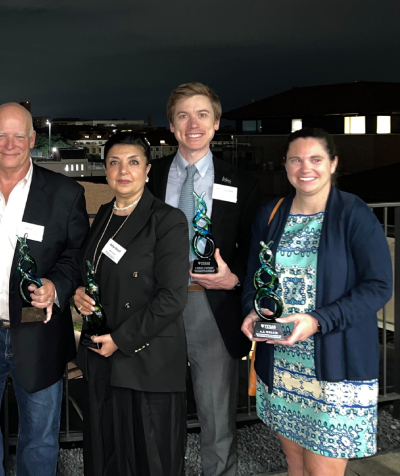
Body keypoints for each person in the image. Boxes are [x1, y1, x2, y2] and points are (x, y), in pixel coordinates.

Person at [241, 128, 392, 475]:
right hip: (282, 363)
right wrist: (252, 309)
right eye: (296, 159)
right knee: (295, 466)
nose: (305, 167)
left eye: (315, 159)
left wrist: (318, 320)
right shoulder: (270, 215)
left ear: (333, 163)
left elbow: (379, 285)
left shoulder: (353, 213)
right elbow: (253, 276)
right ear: (285, 165)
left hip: (336, 366)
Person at [0, 103, 89, 475]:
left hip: (39, 331)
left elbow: (77, 254)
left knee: (40, 436)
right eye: (1, 135)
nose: (10, 144)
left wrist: (56, 285)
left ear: (33, 140)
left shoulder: (65, 192)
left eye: (19, 136)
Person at [146, 82, 260, 476]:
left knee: (215, 414)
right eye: (183, 115)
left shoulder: (241, 182)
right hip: (157, 304)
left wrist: (234, 279)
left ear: (215, 124)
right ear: (172, 126)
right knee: (160, 413)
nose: (192, 124)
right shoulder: (151, 175)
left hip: (212, 307)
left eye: (202, 115)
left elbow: (254, 246)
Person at [73, 132, 189, 475]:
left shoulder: (167, 219)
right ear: (105, 170)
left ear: (148, 170)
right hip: (102, 356)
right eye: (114, 162)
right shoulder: (104, 214)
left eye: (133, 162)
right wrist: (79, 293)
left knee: (149, 459)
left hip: (146, 359)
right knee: (107, 453)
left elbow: (172, 298)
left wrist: (120, 340)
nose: (124, 171)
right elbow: (95, 273)